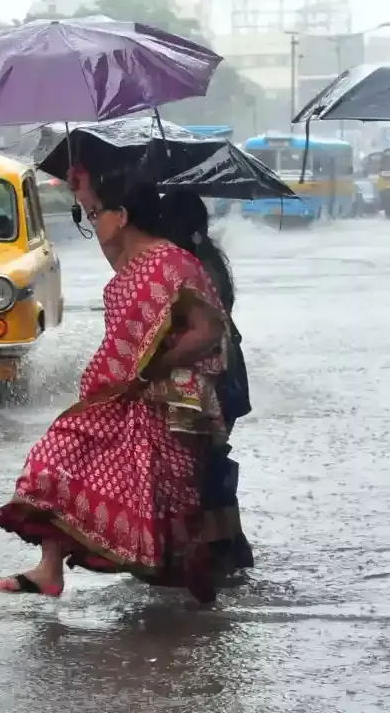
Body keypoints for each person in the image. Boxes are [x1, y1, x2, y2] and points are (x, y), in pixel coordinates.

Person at [0, 177, 229, 603]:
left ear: (121, 217)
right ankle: (49, 570)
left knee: (168, 503)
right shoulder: (128, 271)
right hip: (113, 397)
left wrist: (153, 368)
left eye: (97, 215)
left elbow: (209, 331)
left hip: (166, 402)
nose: (91, 223)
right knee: (57, 460)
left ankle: (196, 598)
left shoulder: (175, 263)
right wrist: (82, 186)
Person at [160, 190, 255, 577]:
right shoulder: (209, 260)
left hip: (213, 377)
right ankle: (227, 547)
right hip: (226, 375)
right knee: (210, 459)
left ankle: (219, 549)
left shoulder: (194, 269)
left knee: (203, 462)